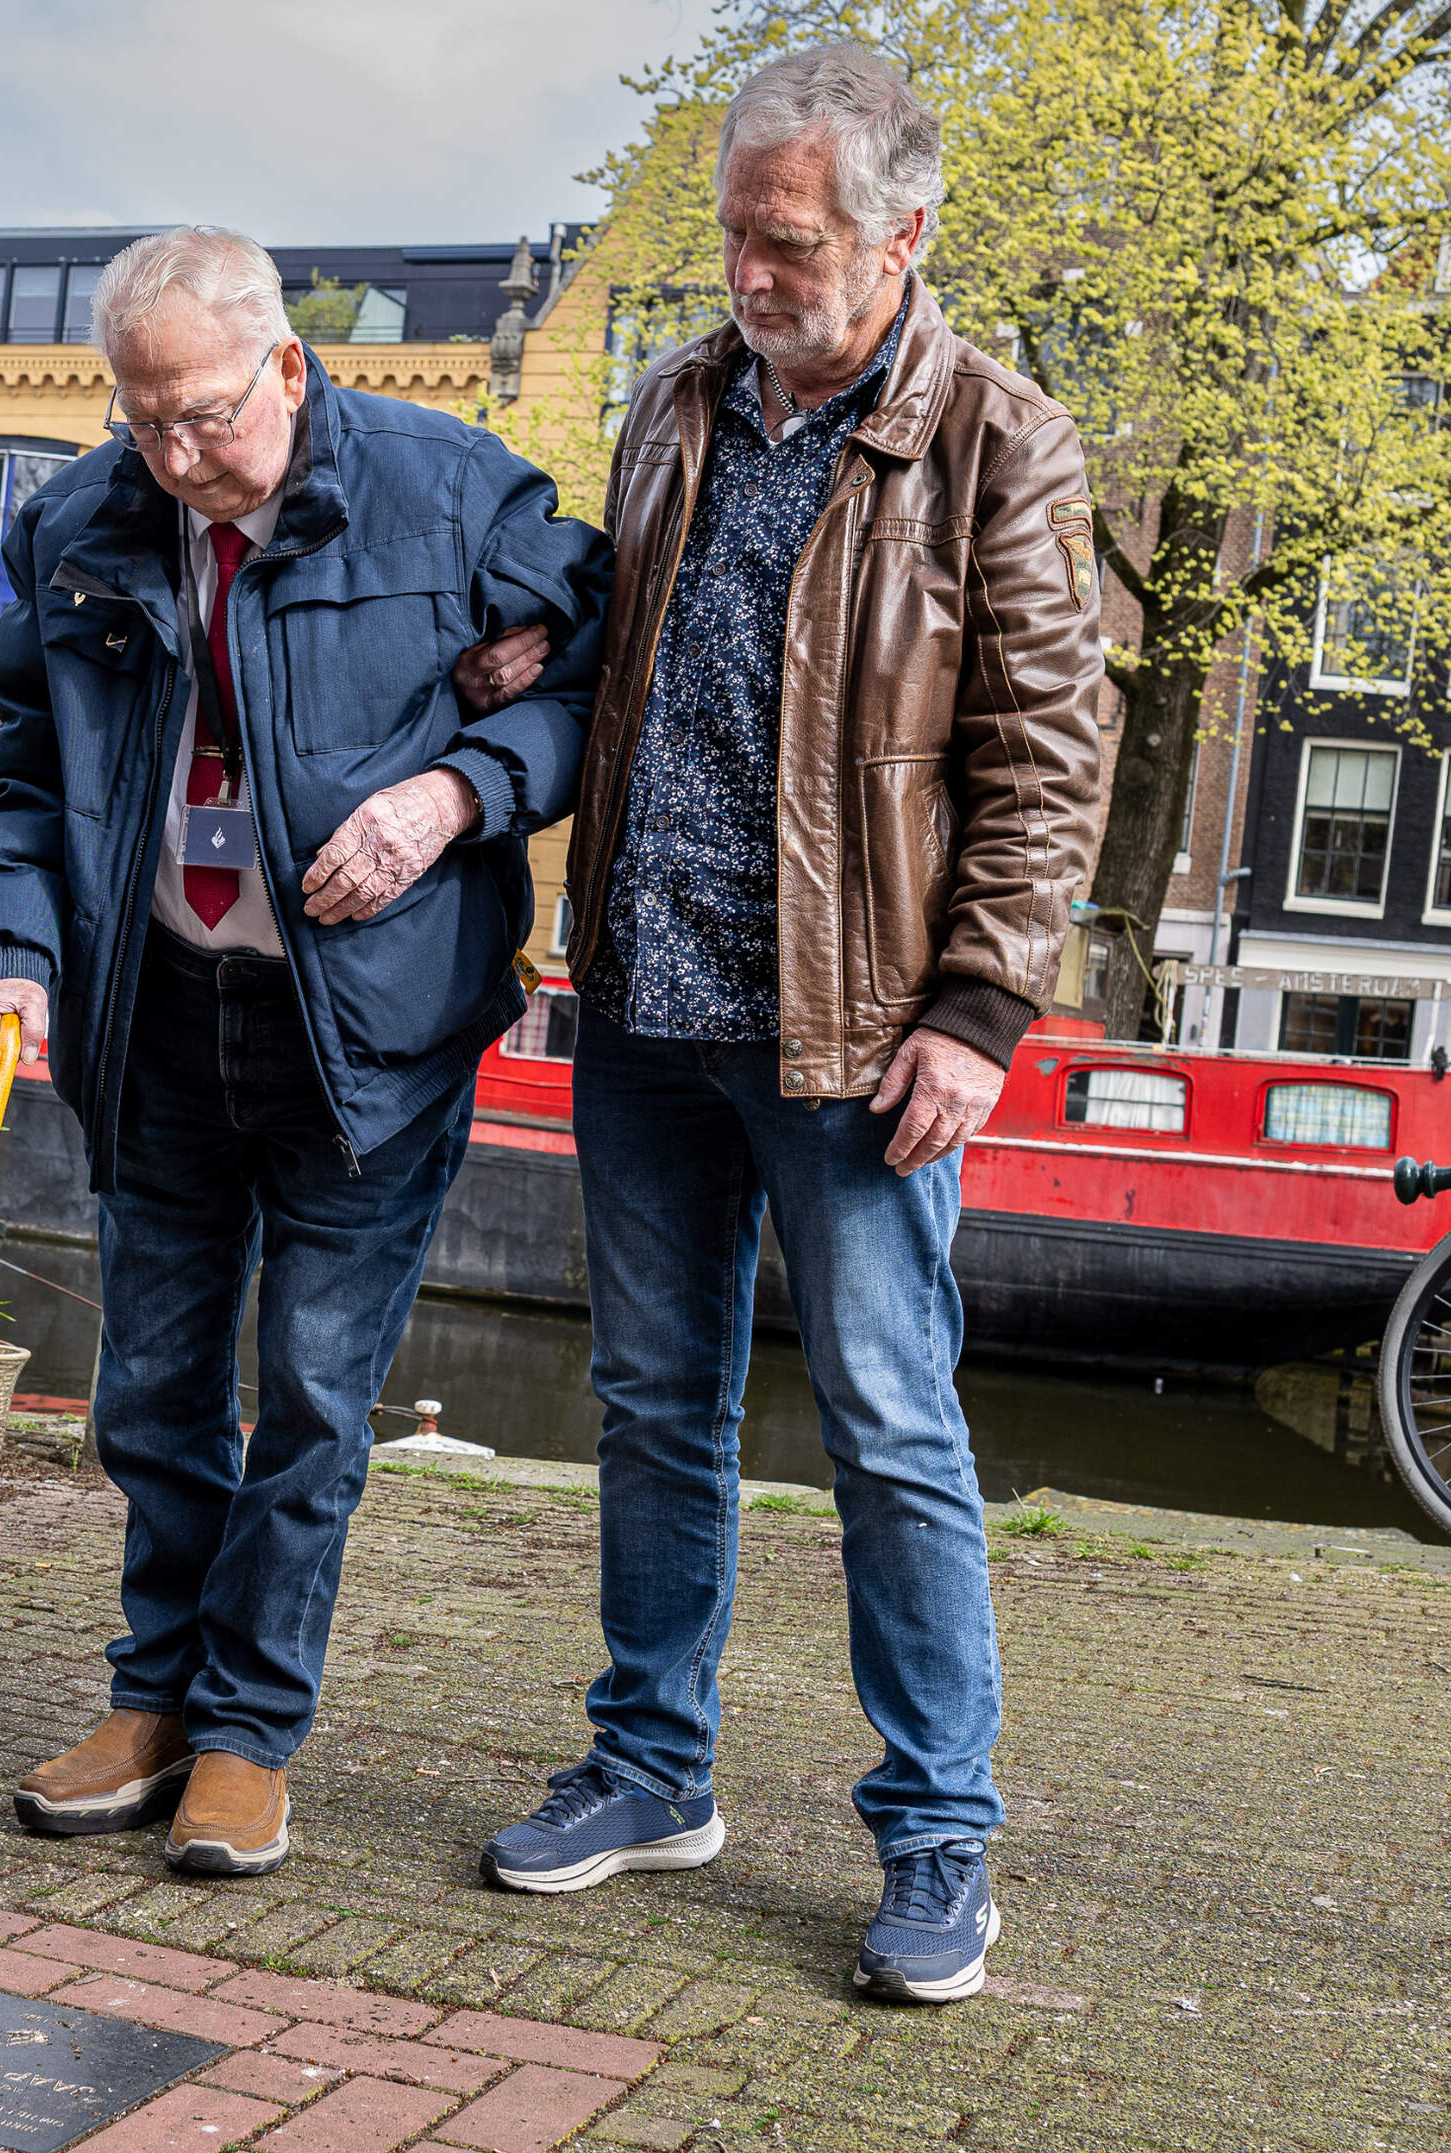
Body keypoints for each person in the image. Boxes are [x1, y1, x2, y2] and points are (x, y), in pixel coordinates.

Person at [461, 47, 1105, 2004]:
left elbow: (1051, 753)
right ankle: (652, 1769)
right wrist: (541, 653)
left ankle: (937, 1838)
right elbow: (648, 628)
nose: (747, 269)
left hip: (854, 1030)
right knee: (655, 1406)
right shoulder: (676, 401)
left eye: (787, 238)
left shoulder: (1000, 440)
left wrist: (983, 1007)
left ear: (904, 237)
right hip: (644, 1003)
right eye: (736, 232)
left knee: (895, 1432)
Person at [0, 225, 603, 1877]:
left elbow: (597, 675)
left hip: (366, 1028)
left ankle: (251, 1728)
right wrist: (12, 953)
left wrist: (456, 791)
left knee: (311, 1397)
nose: (178, 458)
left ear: (289, 369)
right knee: (153, 1391)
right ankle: (152, 1695)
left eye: (209, 420)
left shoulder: (449, 491)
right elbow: (19, 769)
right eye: (143, 419)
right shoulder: (85, 525)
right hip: (159, 1012)